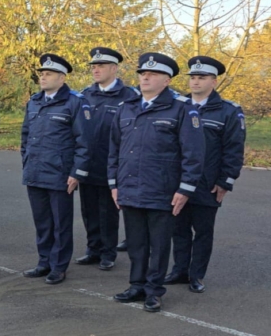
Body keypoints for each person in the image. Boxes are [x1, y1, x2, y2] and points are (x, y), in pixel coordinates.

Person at [109, 52, 205, 313]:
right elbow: (114, 149)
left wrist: (185, 189)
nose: (145, 77)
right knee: (136, 243)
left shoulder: (182, 109)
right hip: (129, 187)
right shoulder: (126, 107)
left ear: (167, 80)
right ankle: (136, 286)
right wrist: (114, 184)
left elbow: (194, 154)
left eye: (152, 74)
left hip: (162, 190)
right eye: (142, 73)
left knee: (159, 245)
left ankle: (153, 291)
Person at [165, 56, 246, 294]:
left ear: (214, 81)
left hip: (208, 183)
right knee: (178, 229)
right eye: (193, 77)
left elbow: (234, 149)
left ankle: (196, 274)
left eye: (202, 77)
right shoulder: (178, 106)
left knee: (202, 231)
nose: (196, 82)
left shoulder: (228, 111)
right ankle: (180, 270)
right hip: (178, 181)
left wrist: (225, 181)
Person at [20, 54, 92, 284]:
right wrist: (27, 161)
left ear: (61, 78)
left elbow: (84, 141)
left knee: (61, 224)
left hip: (60, 174)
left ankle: (59, 266)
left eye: (48, 74)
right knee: (42, 222)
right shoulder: (34, 101)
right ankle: (44, 262)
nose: (43, 77)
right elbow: (25, 136)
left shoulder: (75, 102)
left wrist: (77, 172)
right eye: (42, 73)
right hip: (35, 171)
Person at [77, 47, 140, 271]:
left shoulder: (130, 96)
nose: (96, 70)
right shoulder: (84, 95)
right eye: (94, 66)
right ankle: (93, 249)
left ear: (114, 69)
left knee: (108, 211)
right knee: (89, 210)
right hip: (88, 163)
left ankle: (108, 252)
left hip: (113, 164)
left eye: (101, 66)